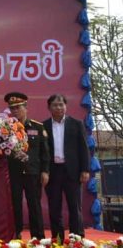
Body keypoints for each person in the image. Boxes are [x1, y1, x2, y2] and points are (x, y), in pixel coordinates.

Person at [43, 94, 90, 241]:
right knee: (54, 207)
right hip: (53, 171)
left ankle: (77, 238)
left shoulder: (76, 124)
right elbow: (41, 152)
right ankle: (57, 239)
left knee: (75, 206)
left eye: (61, 104)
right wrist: (43, 171)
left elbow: (84, 148)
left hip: (72, 171)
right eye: (55, 105)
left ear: (66, 106)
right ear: (49, 107)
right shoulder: (43, 126)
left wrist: (85, 169)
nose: (58, 107)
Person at [5, 92, 50, 240]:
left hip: (33, 172)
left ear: (26, 107)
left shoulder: (37, 127)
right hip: (14, 172)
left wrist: (45, 171)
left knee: (34, 205)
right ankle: (15, 236)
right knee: (14, 206)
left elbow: (45, 152)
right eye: (12, 108)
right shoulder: (6, 128)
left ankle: (38, 237)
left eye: (18, 107)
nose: (15, 111)